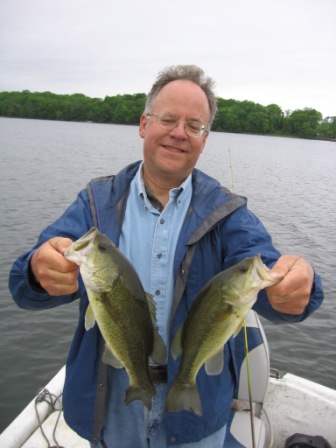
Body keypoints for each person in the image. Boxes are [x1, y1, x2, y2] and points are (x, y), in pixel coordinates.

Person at [9, 64, 323, 448]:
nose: (179, 133)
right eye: (168, 119)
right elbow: (25, 285)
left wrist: (297, 286)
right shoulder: (96, 202)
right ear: (144, 124)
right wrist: (38, 273)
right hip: (112, 408)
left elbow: (267, 273)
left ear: (205, 140)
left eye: (194, 126)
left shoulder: (228, 213)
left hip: (197, 412)